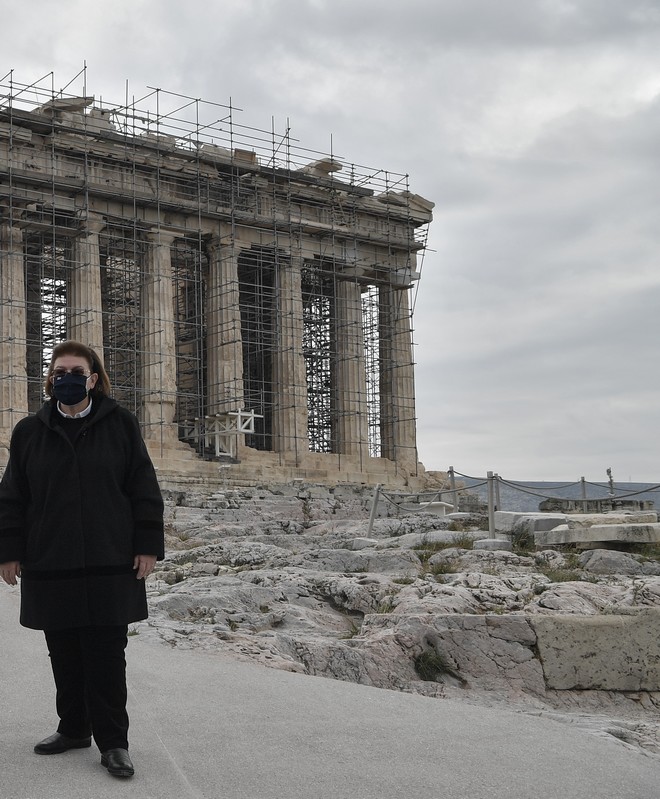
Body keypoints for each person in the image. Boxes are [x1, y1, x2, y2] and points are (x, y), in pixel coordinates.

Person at [0, 340, 164, 779]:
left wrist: (147, 545)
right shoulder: (29, 431)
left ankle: (114, 742)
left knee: (108, 652)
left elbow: (143, 487)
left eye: (77, 371)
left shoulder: (121, 425)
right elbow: (13, 497)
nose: (67, 378)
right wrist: (9, 552)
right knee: (64, 650)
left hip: (110, 557)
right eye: (60, 371)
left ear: (93, 379)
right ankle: (73, 728)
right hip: (52, 558)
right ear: (50, 378)